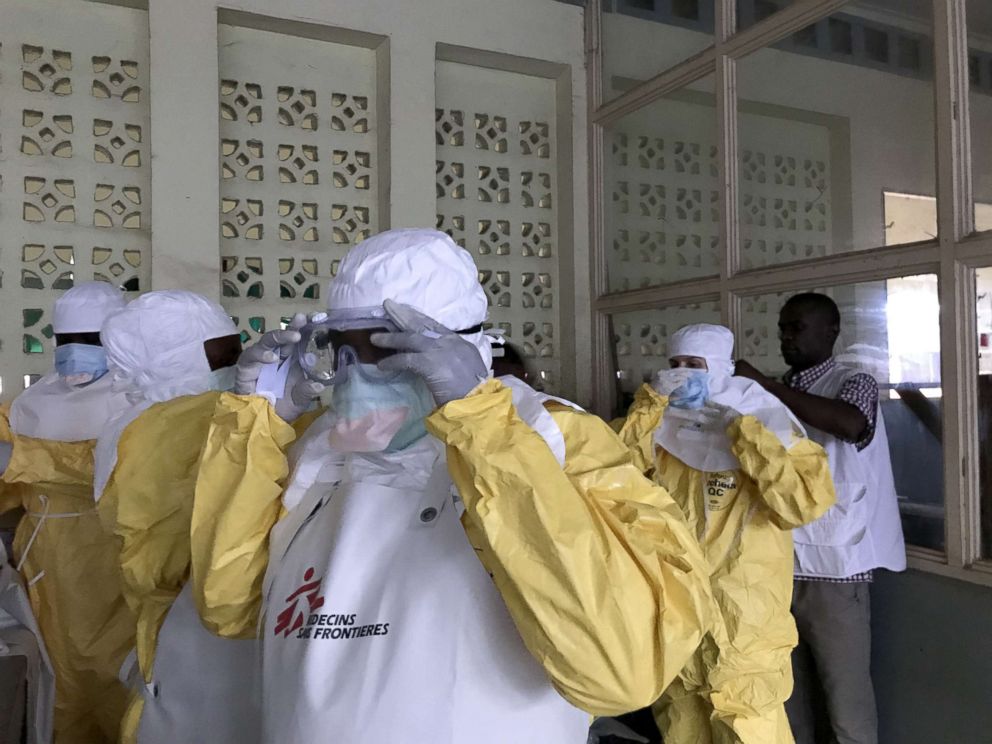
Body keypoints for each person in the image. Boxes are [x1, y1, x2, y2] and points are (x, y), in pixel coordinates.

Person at [232, 228, 715, 743]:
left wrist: (481, 429)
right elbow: (230, 605)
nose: (356, 373)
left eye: (381, 347)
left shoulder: (553, 437)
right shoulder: (319, 446)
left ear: (461, 346)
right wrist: (254, 431)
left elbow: (624, 670)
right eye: (341, 350)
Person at [616, 323, 835, 744]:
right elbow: (617, 477)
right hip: (679, 610)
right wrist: (648, 409)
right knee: (682, 724)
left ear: (719, 368)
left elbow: (802, 504)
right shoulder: (666, 429)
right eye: (674, 365)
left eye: (693, 365)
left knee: (748, 725)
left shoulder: (767, 422)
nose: (682, 374)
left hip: (743, 619)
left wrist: (744, 433)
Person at [94, 290, 292, 744]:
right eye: (222, 354)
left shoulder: (221, 413)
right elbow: (164, 563)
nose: (236, 361)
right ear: (170, 359)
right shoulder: (142, 433)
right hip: (194, 624)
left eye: (236, 346)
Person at [735, 293, 906, 744]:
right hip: (780, 565)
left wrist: (766, 388)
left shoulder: (855, 382)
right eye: (783, 328)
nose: (786, 337)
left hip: (837, 571)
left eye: (797, 328)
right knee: (790, 699)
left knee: (846, 704)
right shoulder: (778, 387)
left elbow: (849, 424)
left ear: (831, 331)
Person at [0, 281, 133, 744]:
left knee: (116, 684)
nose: (76, 353)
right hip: (43, 568)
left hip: (111, 564)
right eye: (66, 341)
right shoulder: (31, 402)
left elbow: (109, 470)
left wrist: (19, 459)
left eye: (90, 341)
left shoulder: (137, 400)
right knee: (57, 688)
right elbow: (14, 489)